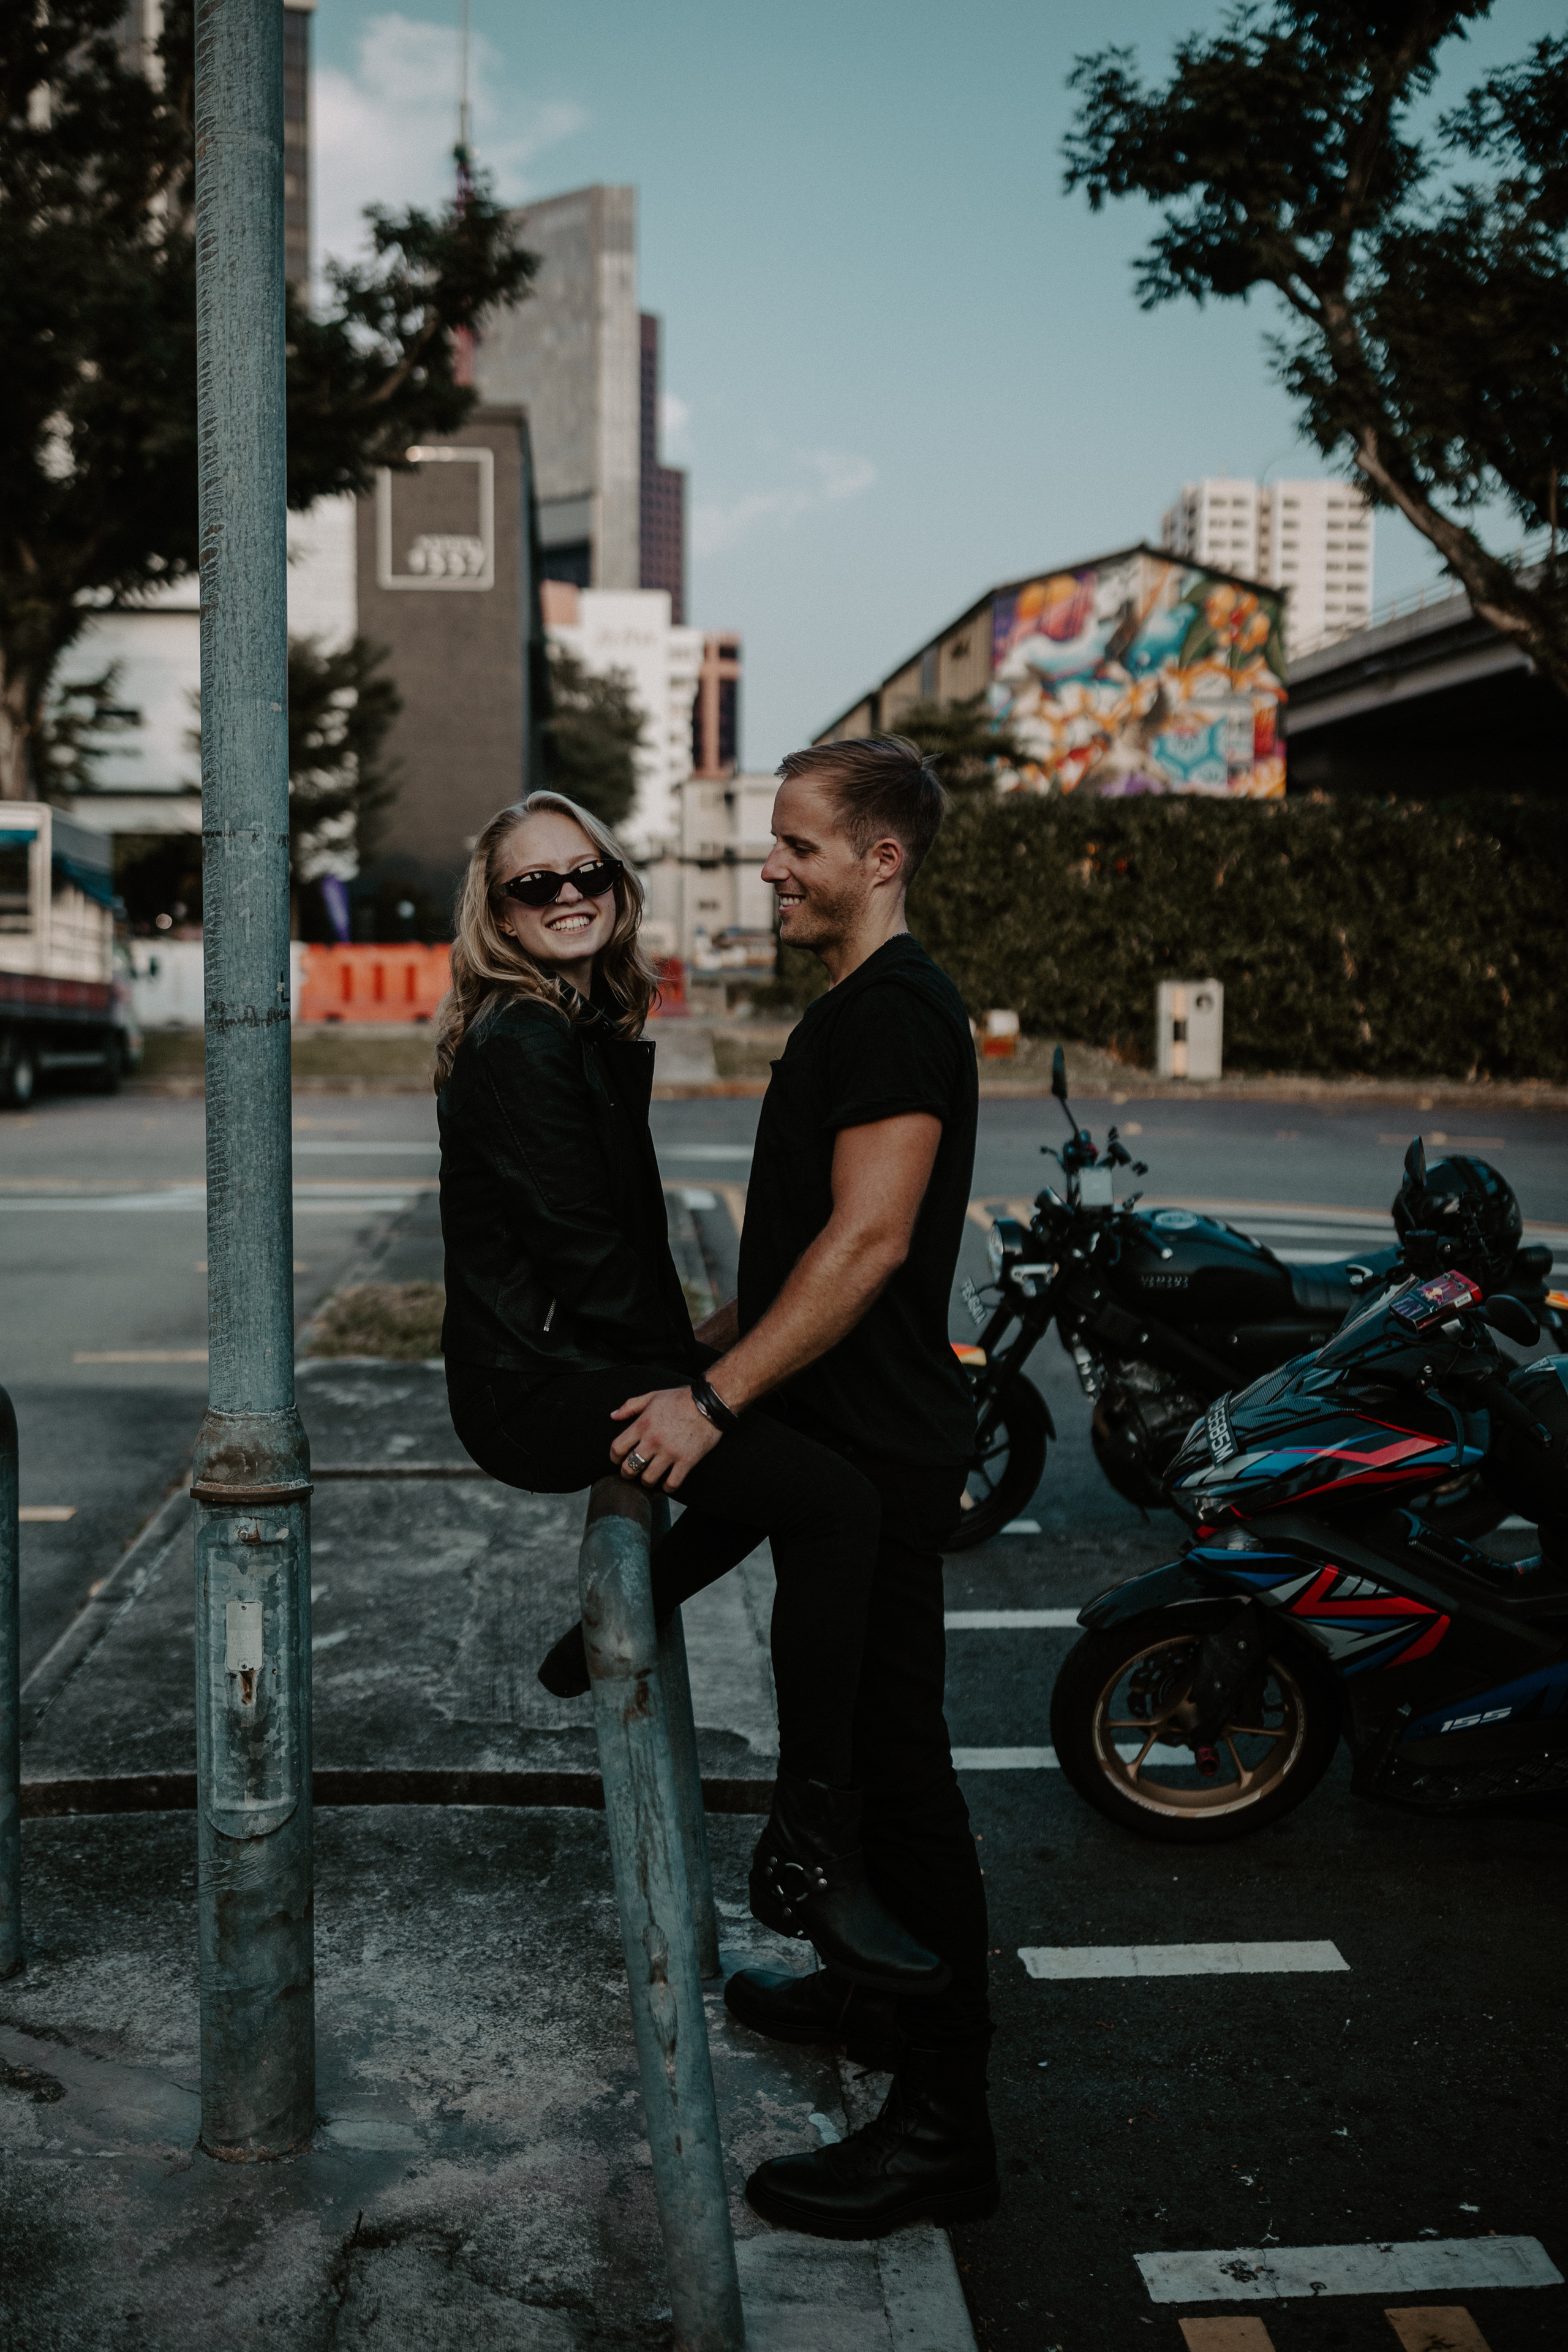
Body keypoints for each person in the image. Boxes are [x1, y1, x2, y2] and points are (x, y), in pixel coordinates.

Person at [581, 736, 998, 2241]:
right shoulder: (852, 1009)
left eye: (797, 846)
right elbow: (802, 1254)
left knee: (899, 1775)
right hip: (838, 1433)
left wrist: (712, 1400)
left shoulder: (893, 1013)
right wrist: (702, 1344)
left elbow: (872, 1243)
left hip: (875, 1456)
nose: (771, 866)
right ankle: (858, 1997)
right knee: (858, 1741)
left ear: (878, 858)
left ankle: (945, 2119)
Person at [435, 788, 946, 1999]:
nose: (568, 897)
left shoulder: (571, 1025)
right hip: (539, 1385)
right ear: (497, 913)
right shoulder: (520, 1037)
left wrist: (713, 1374)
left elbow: (613, 1252)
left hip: (567, 1358)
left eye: (587, 874)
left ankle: (600, 1643)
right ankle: (811, 1846)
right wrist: (704, 1388)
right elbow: (592, 1261)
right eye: (534, 885)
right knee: (830, 1503)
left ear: (616, 885)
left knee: (798, 1444)